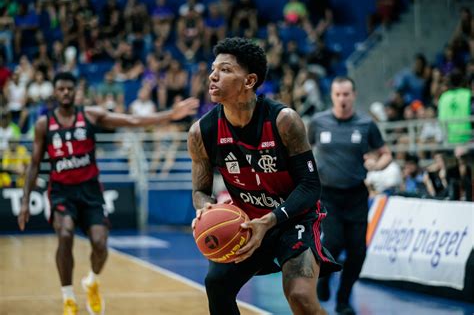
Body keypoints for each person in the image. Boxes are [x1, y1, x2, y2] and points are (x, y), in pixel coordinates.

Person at [17, 72, 198, 315]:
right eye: (61, 89)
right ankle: (68, 297)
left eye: (70, 89)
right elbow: (34, 164)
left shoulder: (90, 115)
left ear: (76, 91)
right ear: (55, 92)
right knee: (65, 233)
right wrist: (25, 201)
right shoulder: (44, 124)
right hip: (62, 192)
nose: (66, 93)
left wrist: (169, 115)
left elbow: (131, 121)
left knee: (101, 245)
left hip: (90, 192)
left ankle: (92, 281)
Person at [187, 37, 341, 315]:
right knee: (217, 284)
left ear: (249, 81)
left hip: (294, 218)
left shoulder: (284, 121)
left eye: (225, 70)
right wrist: (205, 207)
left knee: (300, 296)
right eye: (213, 68)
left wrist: (270, 221)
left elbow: (310, 186)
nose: (212, 75)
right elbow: (200, 190)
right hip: (246, 221)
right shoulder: (202, 132)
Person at [308, 77, 392, 315]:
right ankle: (323, 279)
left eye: (346, 94)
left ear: (353, 95)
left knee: (358, 251)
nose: (342, 99)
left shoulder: (366, 124)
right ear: (332, 96)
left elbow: (385, 154)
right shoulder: (318, 122)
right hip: (328, 195)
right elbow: (302, 150)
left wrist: (376, 165)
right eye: (338, 95)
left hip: (356, 195)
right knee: (334, 241)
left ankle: (343, 300)